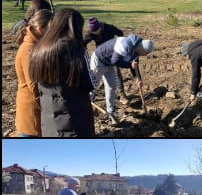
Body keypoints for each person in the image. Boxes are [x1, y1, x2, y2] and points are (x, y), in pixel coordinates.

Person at [28, 9, 98, 137]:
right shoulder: (77, 50)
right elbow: (90, 84)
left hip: (49, 122)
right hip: (75, 122)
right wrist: (94, 74)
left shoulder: (38, 49)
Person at [90, 34, 154, 124]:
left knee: (111, 87)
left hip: (109, 64)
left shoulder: (137, 50)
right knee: (92, 86)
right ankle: (84, 107)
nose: (146, 55)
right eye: (147, 53)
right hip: (99, 60)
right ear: (143, 49)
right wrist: (129, 65)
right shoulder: (125, 44)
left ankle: (111, 112)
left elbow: (134, 66)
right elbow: (115, 61)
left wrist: (138, 78)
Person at [14, 9, 54, 136]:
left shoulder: (35, 45)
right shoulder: (28, 50)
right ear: (41, 30)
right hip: (32, 112)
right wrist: (51, 105)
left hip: (37, 109)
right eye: (51, 31)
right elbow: (34, 85)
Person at [84, 17, 130, 104]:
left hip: (113, 54)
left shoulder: (109, 28)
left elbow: (120, 33)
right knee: (95, 75)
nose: (95, 33)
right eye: (93, 32)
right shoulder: (92, 32)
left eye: (96, 31)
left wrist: (119, 46)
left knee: (117, 73)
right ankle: (90, 96)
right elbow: (83, 42)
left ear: (100, 27)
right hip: (100, 57)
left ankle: (122, 95)